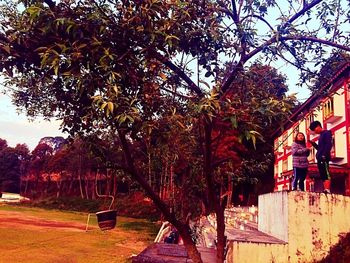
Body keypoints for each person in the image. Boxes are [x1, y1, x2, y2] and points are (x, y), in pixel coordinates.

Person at [309, 121, 333, 194]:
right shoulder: (321, 136)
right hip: (319, 158)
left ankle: (327, 189)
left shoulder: (327, 133)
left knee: (326, 173)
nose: (315, 131)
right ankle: (325, 189)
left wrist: (324, 155)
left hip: (324, 157)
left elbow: (329, 145)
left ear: (319, 126)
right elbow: (319, 148)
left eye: (314, 129)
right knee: (322, 174)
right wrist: (313, 144)